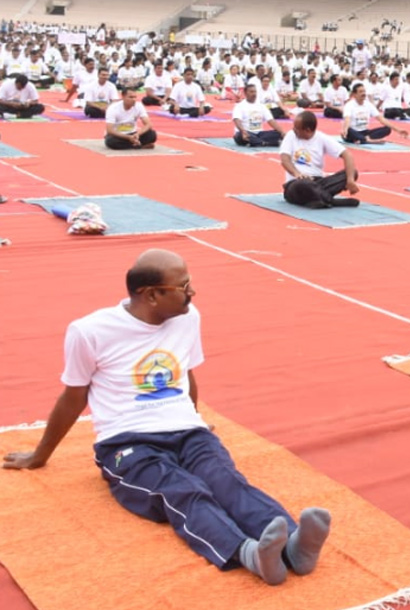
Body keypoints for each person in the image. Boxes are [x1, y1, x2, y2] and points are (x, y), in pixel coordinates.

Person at [2, 249, 332, 586]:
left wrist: (195, 419)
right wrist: (39, 456)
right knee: (183, 490)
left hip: (188, 432)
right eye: (183, 286)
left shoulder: (188, 317)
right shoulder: (89, 331)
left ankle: (293, 549)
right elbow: (74, 396)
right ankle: (248, 553)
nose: (192, 293)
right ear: (152, 295)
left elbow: (185, 373)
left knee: (226, 481)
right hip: (127, 442)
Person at [280, 111, 360, 208]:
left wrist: (350, 180)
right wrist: (297, 174)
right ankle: (331, 201)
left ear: (308, 130)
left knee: (352, 172)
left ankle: (319, 200)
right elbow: (284, 159)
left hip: (317, 182)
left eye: (297, 128)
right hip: (296, 183)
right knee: (304, 184)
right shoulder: (291, 135)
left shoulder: (321, 138)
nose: (294, 130)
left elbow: (347, 155)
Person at [341, 82, 409, 145]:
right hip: (353, 132)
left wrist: (398, 130)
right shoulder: (349, 105)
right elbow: (347, 119)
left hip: (365, 132)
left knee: (387, 129)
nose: (363, 93)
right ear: (354, 94)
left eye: (364, 91)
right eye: (360, 92)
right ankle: (366, 140)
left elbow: (381, 119)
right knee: (349, 131)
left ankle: (364, 139)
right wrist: (345, 130)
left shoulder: (368, 104)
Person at [232, 82, 286, 147]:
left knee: (278, 133)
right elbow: (237, 120)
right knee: (240, 136)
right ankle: (266, 143)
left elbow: (271, 120)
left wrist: (282, 132)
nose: (254, 94)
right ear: (245, 93)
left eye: (255, 92)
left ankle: (259, 142)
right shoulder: (240, 106)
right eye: (251, 92)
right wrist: (243, 131)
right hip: (246, 132)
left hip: (259, 133)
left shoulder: (261, 106)